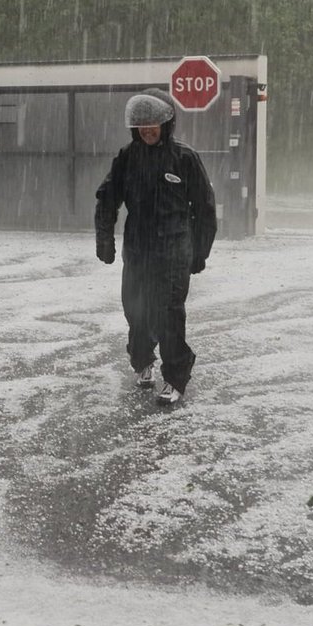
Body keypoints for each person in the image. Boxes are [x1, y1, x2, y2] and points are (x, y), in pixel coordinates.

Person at [94, 88, 217, 405]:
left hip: (174, 252)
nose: (147, 130)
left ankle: (175, 377)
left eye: (154, 123)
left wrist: (200, 252)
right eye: (141, 124)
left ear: (167, 123)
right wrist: (104, 239)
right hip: (138, 251)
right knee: (135, 309)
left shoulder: (184, 158)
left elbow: (204, 208)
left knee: (168, 315)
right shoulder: (127, 158)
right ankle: (142, 360)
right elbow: (107, 199)